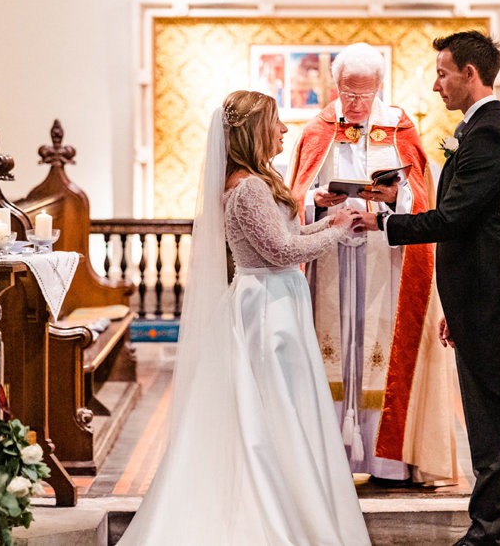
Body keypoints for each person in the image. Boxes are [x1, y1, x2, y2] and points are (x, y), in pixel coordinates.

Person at [118, 91, 370, 545]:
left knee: (284, 408)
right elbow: (281, 252)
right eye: (277, 122)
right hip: (267, 308)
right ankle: (269, 512)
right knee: (272, 411)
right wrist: (334, 233)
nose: (285, 130)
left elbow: (287, 235)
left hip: (276, 299)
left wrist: (333, 219)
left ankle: (289, 497)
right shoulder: (248, 186)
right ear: (255, 130)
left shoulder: (257, 180)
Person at [356, 31, 500, 546]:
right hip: (477, 293)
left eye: (442, 73)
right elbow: (461, 212)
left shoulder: (491, 135)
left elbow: (455, 218)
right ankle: (487, 530)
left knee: (491, 415)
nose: (436, 85)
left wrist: (383, 223)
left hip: (491, 293)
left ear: (470, 74)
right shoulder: (479, 129)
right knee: (483, 417)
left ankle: (490, 534)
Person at [288, 42, 455, 484]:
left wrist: (387, 204)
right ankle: (329, 459)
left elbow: (421, 198)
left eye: (365, 94)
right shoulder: (316, 129)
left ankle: (386, 461)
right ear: (336, 85)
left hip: (385, 260)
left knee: (379, 350)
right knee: (334, 347)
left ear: (381, 87)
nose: (356, 104)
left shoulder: (400, 128)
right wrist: (314, 200)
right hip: (330, 260)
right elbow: (292, 197)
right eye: (348, 93)